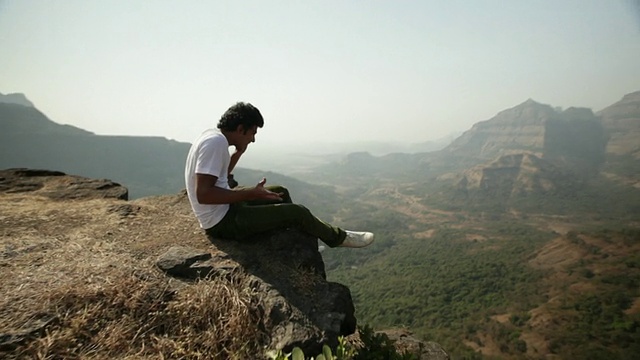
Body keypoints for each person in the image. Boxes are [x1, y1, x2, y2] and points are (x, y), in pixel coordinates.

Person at [184, 102, 374, 249]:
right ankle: (339, 238)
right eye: (252, 132)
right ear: (241, 128)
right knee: (296, 212)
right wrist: (250, 193)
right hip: (222, 221)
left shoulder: (213, 137)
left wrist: (239, 152)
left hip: (224, 210)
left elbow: (220, 177)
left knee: (280, 192)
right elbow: (204, 194)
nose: (253, 138)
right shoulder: (216, 143)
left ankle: (301, 241)